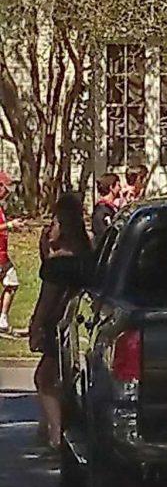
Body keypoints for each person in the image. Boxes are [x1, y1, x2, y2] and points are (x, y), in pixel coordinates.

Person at [28, 192, 91, 448]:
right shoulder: (88, 254)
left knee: (45, 378)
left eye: (53, 221)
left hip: (59, 326)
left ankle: (55, 435)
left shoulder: (59, 264)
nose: (48, 227)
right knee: (60, 378)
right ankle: (48, 431)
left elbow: (47, 300)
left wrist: (35, 325)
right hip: (79, 325)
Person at [0, 170, 25, 334]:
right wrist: (9, 226)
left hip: (2, 255)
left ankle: (2, 317)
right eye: (5, 188)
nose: (6, 193)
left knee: (12, 283)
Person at [91, 172, 120, 242]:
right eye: (118, 185)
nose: (120, 188)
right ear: (111, 188)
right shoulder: (102, 211)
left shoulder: (109, 208)